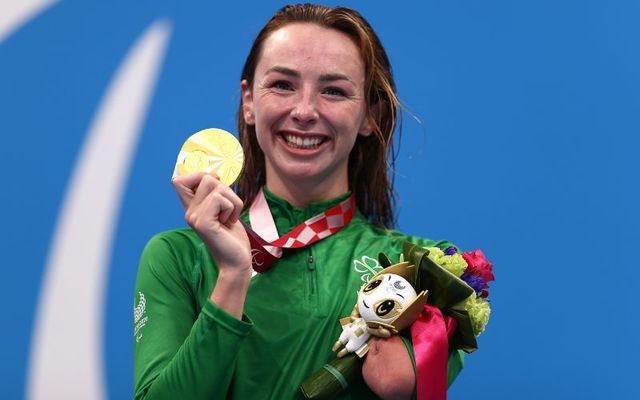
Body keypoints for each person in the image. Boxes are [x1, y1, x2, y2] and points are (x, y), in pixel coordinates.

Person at [133, 4, 464, 399]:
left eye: (334, 91)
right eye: (283, 85)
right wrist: (233, 278)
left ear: (369, 116)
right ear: (248, 102)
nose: (305, 111)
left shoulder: (425, 273)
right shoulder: (178, 256)